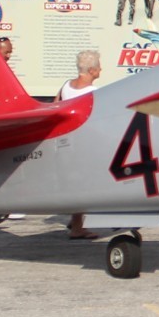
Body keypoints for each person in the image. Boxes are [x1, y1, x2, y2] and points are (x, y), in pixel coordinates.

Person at [58, 50, 103, 239]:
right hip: (82, 145)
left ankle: (75, 220)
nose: (101, 69)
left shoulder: (66, 86)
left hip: (66, 142)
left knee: (74, 182)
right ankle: (77, 227)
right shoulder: (93, 93)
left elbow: (56, 106)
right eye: (99, 66)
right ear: (92, 70)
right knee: (82, 184)